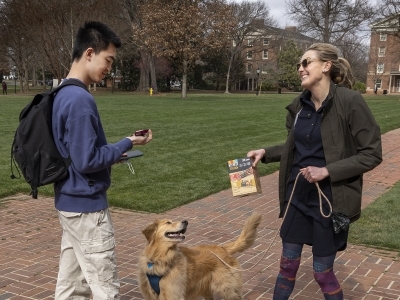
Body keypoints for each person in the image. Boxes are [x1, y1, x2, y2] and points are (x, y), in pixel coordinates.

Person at [247, 43, 382, 300]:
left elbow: (371, 154)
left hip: (330, 200)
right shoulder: (299, 105)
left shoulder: (350, 102)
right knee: (287, 266)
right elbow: (293, 147)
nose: (300, 68)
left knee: (322, 272)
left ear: (326, 66)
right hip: (298, 197)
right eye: (300, 64)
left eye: (306, 62)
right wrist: (265, 152)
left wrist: (327, 171)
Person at [52, 21, 153, 299]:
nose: (110, 68)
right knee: (105, 288)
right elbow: (86, 161)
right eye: (108, 60)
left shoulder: (61, 93)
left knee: (71, 287)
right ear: (89, 53)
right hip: (87, 209)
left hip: (68, 204)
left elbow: (76, 155)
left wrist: (119, 148)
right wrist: (127, 142)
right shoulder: (80, 100)